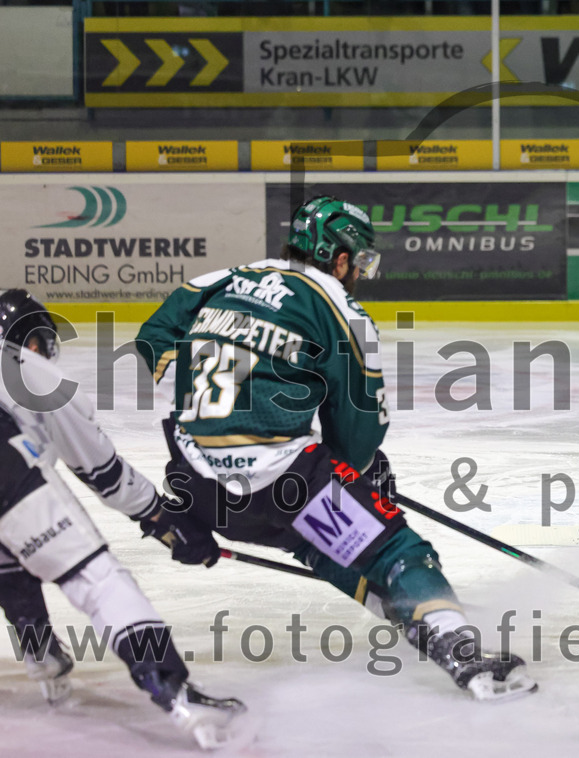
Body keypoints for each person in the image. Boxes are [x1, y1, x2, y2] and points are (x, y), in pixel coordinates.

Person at [133, 196, 537, 702]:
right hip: (282, 483)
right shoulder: (340, 308)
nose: (360, 273)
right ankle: (461, 651)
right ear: (340, 258)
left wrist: (205, 400)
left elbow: (153, 338)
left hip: (199, 488)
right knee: (395, 550)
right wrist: (356, 474)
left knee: (314, 541)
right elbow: (358, 427)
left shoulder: (222, 279)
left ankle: (414, 617)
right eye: (360, 261)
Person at [0, 289, 248, 749]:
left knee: (9, 555)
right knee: (98, 580)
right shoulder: (21, 364)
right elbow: (102, 472)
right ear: (31, 342)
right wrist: (161, 516)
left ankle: (42, 656)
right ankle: (173, 689)